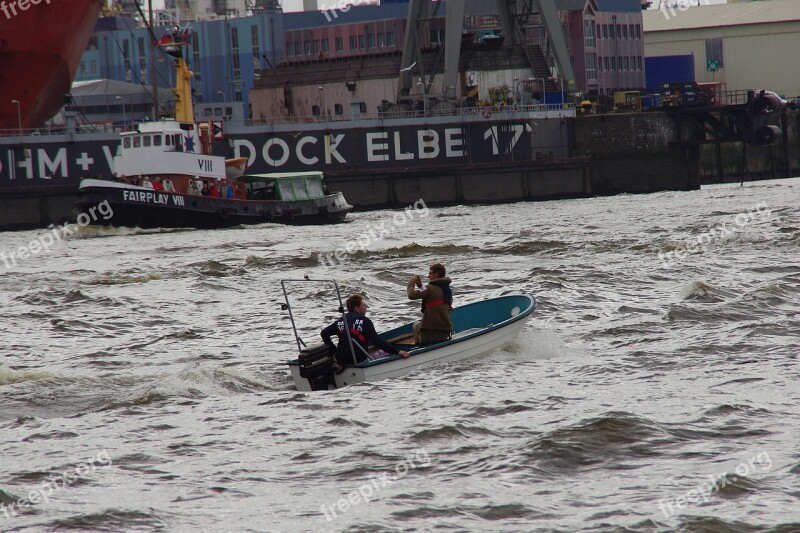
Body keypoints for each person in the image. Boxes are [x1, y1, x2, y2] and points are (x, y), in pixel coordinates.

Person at [321, 294, 410, 367]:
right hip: (359, 360)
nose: (365, 307)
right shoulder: (365, 321)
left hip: (341, 361)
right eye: (363, 305)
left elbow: (324, 333)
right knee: (386, 352)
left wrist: (334, 352)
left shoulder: (340, 321)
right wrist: (398, 351)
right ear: (356, 308)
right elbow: (377, 342)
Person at [407, 263, 453, 345]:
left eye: (430, 273)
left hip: (429, 332)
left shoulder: (430, 288)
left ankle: (420, 342)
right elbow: (429, 294)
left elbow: (411, 295)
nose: (428, 276)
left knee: (415, 324)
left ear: (436, 274)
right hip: (445, 331)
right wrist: (420, 285)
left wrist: (411, 282)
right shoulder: (447, 290)